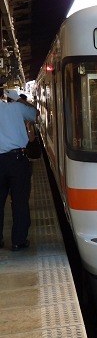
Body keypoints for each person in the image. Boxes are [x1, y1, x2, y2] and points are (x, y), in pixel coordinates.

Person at [0, 88, 38, 250]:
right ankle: (18, 241)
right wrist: (19, 100)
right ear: (3, 94)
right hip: (16, 160)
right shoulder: (15, 107)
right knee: (20, 201)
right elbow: (36, 114)